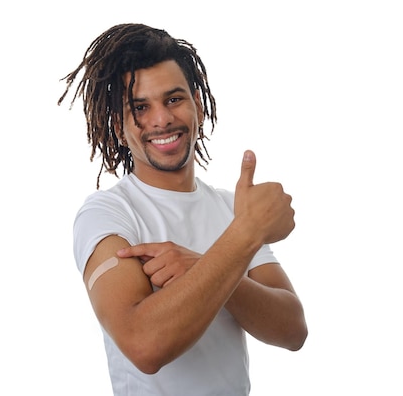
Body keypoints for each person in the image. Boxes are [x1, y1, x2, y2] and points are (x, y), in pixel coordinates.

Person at [58, 23, 308, 396]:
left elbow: (292, 330)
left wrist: (205, 266)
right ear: (117, 124)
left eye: (173, 99)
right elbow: (144, 345)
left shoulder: (229, 206)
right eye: (140, 107)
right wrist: (244, 237)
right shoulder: (107, 214)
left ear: (198, 105)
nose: (161, 120)